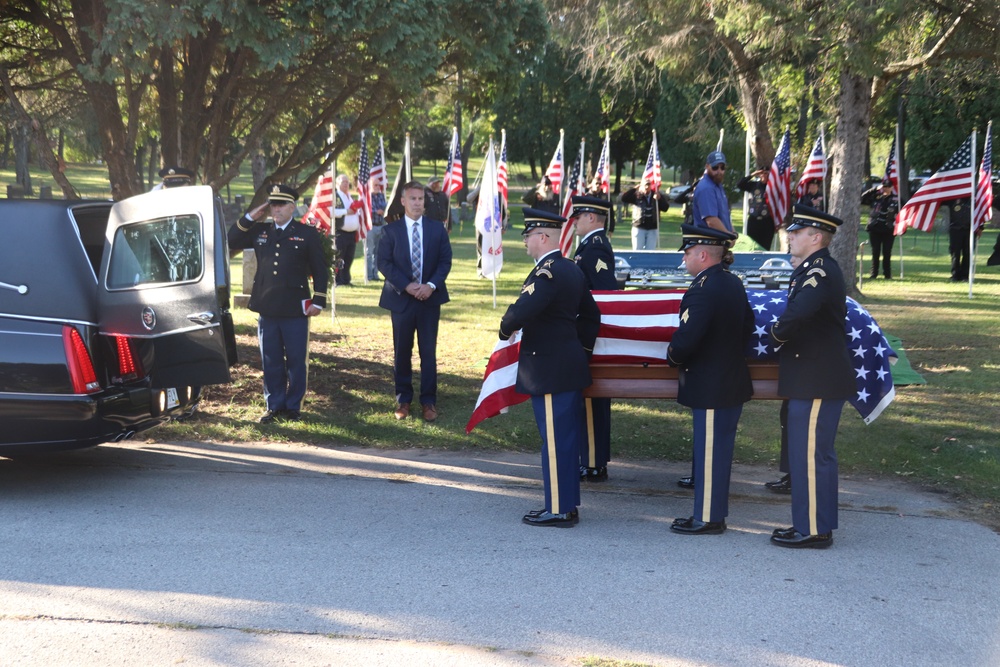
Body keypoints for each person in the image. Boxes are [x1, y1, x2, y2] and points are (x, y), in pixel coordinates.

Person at [499, 208, 601, 527]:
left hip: (548, 369)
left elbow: (524, 310)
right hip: (566, 365)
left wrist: (505, 327)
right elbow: (591, 315)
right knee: (565, 440)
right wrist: (580, 351)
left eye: (528, 236)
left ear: (543, 237)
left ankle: (558, 509)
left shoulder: (547, 272)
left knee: (556, 443)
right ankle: (566, 504)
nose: (526, 242)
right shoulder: (570, 269)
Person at [768, 204, 854, 549]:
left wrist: (776, 335)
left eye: (796, 232)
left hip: (817, 376)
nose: (789, 237)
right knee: (815, 454)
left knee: (811, 454)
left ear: (815, 237)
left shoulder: (818, 270)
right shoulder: (812, 269)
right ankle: (815, 525)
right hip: (815, 374)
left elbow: (800, 312)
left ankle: (814, 530)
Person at [667, 225, 754, 535]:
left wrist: (673, 356)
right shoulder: (732, 283)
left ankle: (708, 518)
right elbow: (748, 326)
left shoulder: (703, 288)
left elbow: (688, 337)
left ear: (703, 255)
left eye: (688, 253)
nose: (684, 260)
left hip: (710, 384)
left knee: (710, 455)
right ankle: (712, 513)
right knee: (719, 453)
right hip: (729, 379)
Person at [227, 184, 329, 423]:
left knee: (296, 360)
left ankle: (294, 406)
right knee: (271, 359)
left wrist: (319, 300)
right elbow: (233, 238)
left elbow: (319, 270)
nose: (276, 209)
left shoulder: (306, 233)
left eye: (281, 204)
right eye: (273, 204)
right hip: (268, 306)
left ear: (292, 207)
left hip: (295, 307)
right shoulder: (260, 231)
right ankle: (274, 406)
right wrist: (253, 215)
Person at [377, 181, 452, 422]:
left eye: (421, 199)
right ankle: (403, 400)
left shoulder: (437, 229)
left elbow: (444, 261)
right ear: (403, 201)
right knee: (402, 351)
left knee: (428, 352)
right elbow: (384, 263)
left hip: (429, 299)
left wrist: (430, 286)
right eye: (413, 199)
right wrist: (407, 285)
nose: (418, 203)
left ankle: (428, 401)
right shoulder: (391, 230)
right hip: (401, 300)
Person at [569, 195, 619, 482]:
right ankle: (592, 460)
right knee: (589, 400)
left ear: (591, 218)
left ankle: (594, 462)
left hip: (590, 334)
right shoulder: (589, 246)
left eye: (578, 217)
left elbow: (603, 294)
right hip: (587, 331)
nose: (574, 222)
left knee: (592, 400)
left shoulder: (595, 248)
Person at [861, 179, 899, 279]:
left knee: (887, 251)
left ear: (891, 188)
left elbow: (904, 211)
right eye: (884, 187)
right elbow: (862, 198)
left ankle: (887, 274)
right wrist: (874, 190)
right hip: (875, 228)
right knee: (875, 251)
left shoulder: (896, 200)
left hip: (889, 229)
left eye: (888, 187)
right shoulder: (876, 197)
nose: (886, 189)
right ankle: (874, 273)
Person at [691, 151, 733, 233]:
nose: (719, 171)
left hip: (718, 241)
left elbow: (724, 217)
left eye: (722, 167)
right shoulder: (706, 188)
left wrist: (733, 232)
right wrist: (729, 237)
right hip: (708, 242)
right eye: (715, 167)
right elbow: (711, 221)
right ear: (707, 166)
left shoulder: (717, 185)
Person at [620, 179, 667, 250]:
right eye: (645, 185)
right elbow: (624, 198)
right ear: (641, 186)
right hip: (639, 226)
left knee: (650, 251)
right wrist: (634, 189)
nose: (646, 187)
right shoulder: (637, 195)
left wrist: (660, 199)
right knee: (637, 250)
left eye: (648, 185)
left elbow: (665, 208)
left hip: (652, 227)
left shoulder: (656, 195)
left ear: (651, 186)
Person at [333, 174, 361, 286]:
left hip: (351, 234)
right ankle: (338, 280)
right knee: (339, 257)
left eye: (347, 182)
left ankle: (346, 279)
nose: (346, 184)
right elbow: (332, 212)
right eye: (343, 181)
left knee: (349, 257)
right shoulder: (335, 197)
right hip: (340, 232)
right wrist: (346, 211)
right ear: (337, 184)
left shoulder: (349, 196)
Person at [737, 169, 775, 250]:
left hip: (767, 222)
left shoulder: (773, 187)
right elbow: (740, 184)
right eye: (762, 173)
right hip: (754, 220)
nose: (764, 176)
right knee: (751, 246)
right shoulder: (754, 185)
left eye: (766, 173)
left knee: (765, 248)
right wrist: (753, 174)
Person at [943, 197, 972, 281]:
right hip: (955, 229)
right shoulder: (952, 198)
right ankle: (955, 275)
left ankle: (965, 276)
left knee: (967, 253)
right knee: (955, 253)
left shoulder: (972, 198)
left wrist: (981, 227)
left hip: (969, 229)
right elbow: (940, 200)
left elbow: (980, 212)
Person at [366, 179, 388, 281]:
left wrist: (383, 211)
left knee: (378, 252)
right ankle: (369, 275)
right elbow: (368, 209)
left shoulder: (381, 196)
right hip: (370, 227)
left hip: (381, 226)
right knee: (369, 252)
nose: (378, 187)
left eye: (379, 185)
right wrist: (377, 211)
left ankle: (375, 274)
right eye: (375, 185)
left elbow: (385, 208)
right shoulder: (367, 196)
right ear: (370, 185)